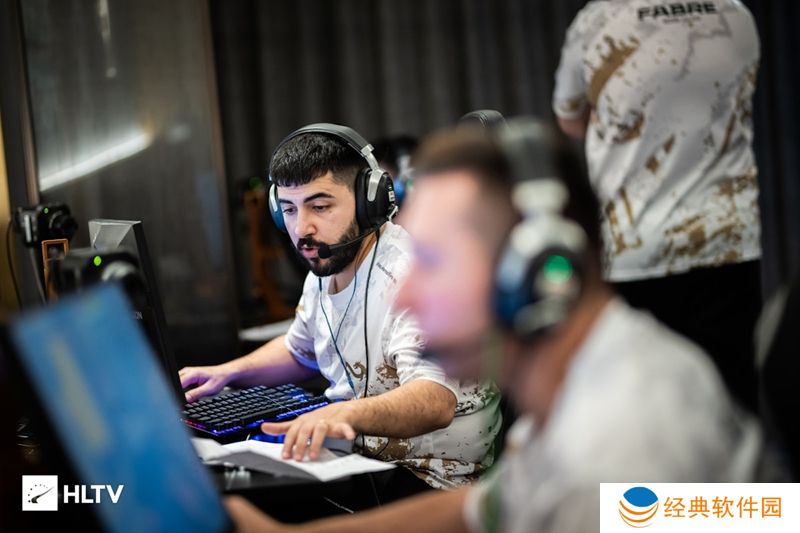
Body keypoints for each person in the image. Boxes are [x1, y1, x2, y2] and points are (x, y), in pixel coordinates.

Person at [223, 120, 762, 531]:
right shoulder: (582, 390)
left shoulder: (612, 451)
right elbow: (484, 508)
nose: (406, 292)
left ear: (532, 272)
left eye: (433, 261)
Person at [179, 124, 499, 491]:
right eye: (288, 209)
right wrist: (226, 373)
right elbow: (301, 351)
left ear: (368, 202)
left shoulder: (412, 274)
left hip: (432, 479)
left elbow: (435, 400)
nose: (302, 228)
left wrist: (341, 413)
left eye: (320, 206)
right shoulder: (325, 264)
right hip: (363, 463)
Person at [552, 0, 762, 413]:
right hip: (726, 240)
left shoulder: (597, 21)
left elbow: (570, 118)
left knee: (646, 405)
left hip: (635, 248)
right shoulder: (736, 14)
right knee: (731, 400)